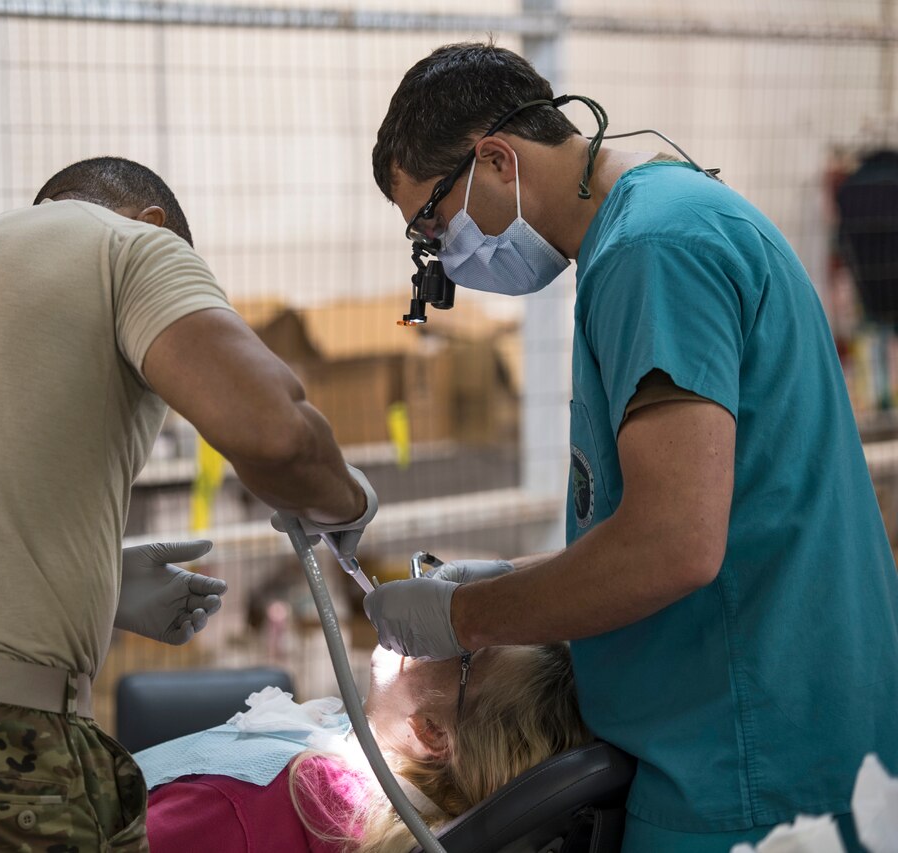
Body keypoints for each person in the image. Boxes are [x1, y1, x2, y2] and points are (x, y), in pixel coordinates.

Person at [361, 43, 898, 852]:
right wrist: (508, 579)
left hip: (750, 772)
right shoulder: (656, 227)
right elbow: (666, 514)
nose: (446, 266)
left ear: (498, 159)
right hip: (752, 738)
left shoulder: (654, 251)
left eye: (436, 227)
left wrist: (465, 616)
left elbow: (673, 544)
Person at [0, 156, 378, 851]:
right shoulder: (132, 248)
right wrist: (347, 504)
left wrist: (92, 583)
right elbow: (278, 438)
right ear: (156, 224)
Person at [139, 643, 590, 853]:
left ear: (431, 734)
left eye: (469, 651)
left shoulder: (247, 806)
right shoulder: (372, 794)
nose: (448, 630)